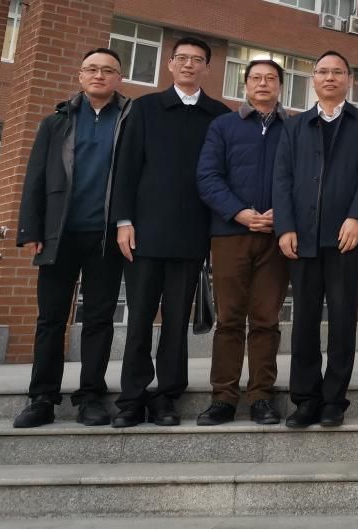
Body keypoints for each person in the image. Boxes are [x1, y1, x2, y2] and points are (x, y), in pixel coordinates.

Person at [111, 37, 230, 428]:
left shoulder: (218, 115)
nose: (189, 64)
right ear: (170, 64)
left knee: (177, 321)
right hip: (143, 232)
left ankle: (167, 397)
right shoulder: (144, 108)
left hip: (191, 234)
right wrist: (124, 221)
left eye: (197, 59)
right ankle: (131, 399)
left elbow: (222, 176)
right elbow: (126, 167)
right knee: (140, 318)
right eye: (182, 58)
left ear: (207, 68)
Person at [12, 48, 132, 428]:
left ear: (119, 78)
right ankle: (42, 398)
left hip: (105, 237)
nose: (99, 75)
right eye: (91, 69)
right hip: (58, 235)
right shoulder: (57, 122)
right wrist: (32, 229)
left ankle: (91, 397)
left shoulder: (130, 121)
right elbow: (36, 176)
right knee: (50, 318)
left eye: (108, 70)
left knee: (98, 319)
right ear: (80, 76)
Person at [273, 50, 358, 428]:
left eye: (338, 72)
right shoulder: (294, 125)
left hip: (346, 238)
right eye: (323, 71)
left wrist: (357, 217)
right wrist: (285, 227)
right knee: (304, 320)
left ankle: (334, 399)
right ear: (313, 79)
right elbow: (282, 178)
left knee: (342, 318)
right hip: (303, 237)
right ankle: (305, 399)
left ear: (349, 80)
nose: (330, 77)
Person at [194, 58, 291, 426]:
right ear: (245, 84)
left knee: (266, 319)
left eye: (270, 78)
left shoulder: (294, 128)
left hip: (276, 237)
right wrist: (239, 212)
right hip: (230, 234)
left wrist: (282, 214)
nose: (263, 84)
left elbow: (303, 178)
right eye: (256, 78)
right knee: (230, 319)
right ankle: (223, 397)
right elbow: (207, 176)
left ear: (280, 86)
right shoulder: (223, 126)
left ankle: (262, 396)